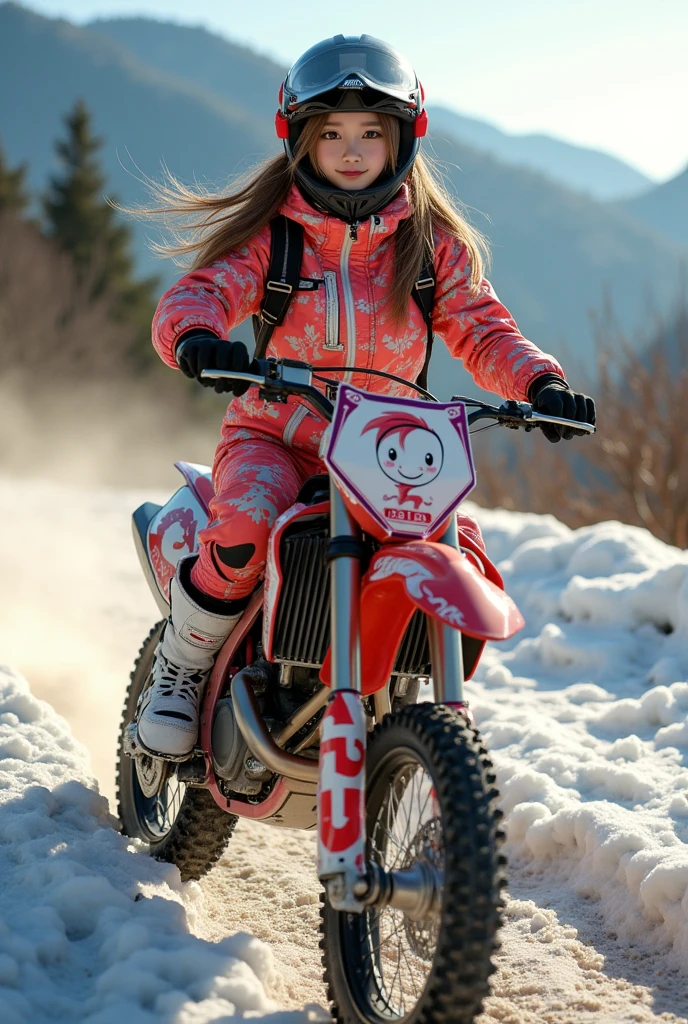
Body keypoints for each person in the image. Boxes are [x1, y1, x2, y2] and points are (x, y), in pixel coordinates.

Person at [136, 34, 595, 759]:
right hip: (277, 434)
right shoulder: (274, 238)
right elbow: (199, 295)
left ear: (403, 138)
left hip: (393, 454)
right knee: (247, 528)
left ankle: (414, 723)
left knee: (457, 552)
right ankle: (183, 668)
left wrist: (540, 382)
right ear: (302, 143)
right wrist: (196, 337)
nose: (352, 150)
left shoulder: (430, 243)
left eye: (372, 133)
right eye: (333, 134)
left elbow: (482, 329)